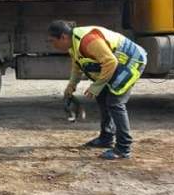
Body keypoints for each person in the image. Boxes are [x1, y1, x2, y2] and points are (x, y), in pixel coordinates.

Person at [47, 20, 147, 160]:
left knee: (115, 102)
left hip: (131, 61)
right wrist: (71, 86)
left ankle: (123, 148)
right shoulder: (73, 44)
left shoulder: (88, 41)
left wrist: (96, 86)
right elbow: (77, 66)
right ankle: (106, 138)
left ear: (63, 37)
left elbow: (110, 62)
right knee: (102, 96)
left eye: (52, 41)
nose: (52, 45)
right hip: (115, 63)